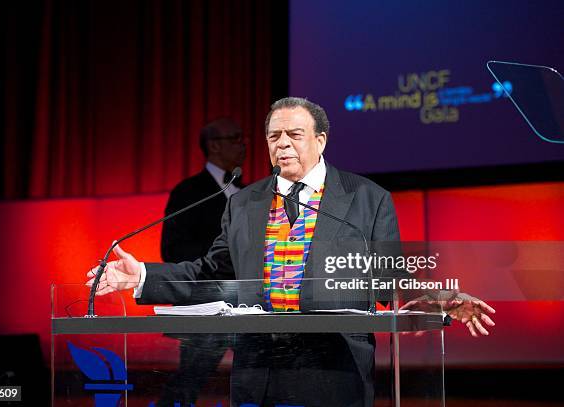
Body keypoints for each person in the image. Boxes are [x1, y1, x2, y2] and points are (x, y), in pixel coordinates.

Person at [87, 97, 495, 406]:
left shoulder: (368, 199)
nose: (282, 144)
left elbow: (392, 280)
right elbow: (212, 271)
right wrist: (142, 275)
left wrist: (435, 301)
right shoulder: (244, 203)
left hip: (335, 371)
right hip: (259, 371)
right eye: (273, 136)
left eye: (294, 135)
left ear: (321, 140)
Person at [158, 118, 245, 406]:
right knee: (191, 378)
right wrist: (224, 255)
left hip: (249, 301)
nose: (243, 144)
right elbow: (172, 249)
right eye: (235, 138)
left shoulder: (247, 191)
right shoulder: (188, 192)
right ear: (214, 146)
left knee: (257, 375)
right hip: (206, 302)